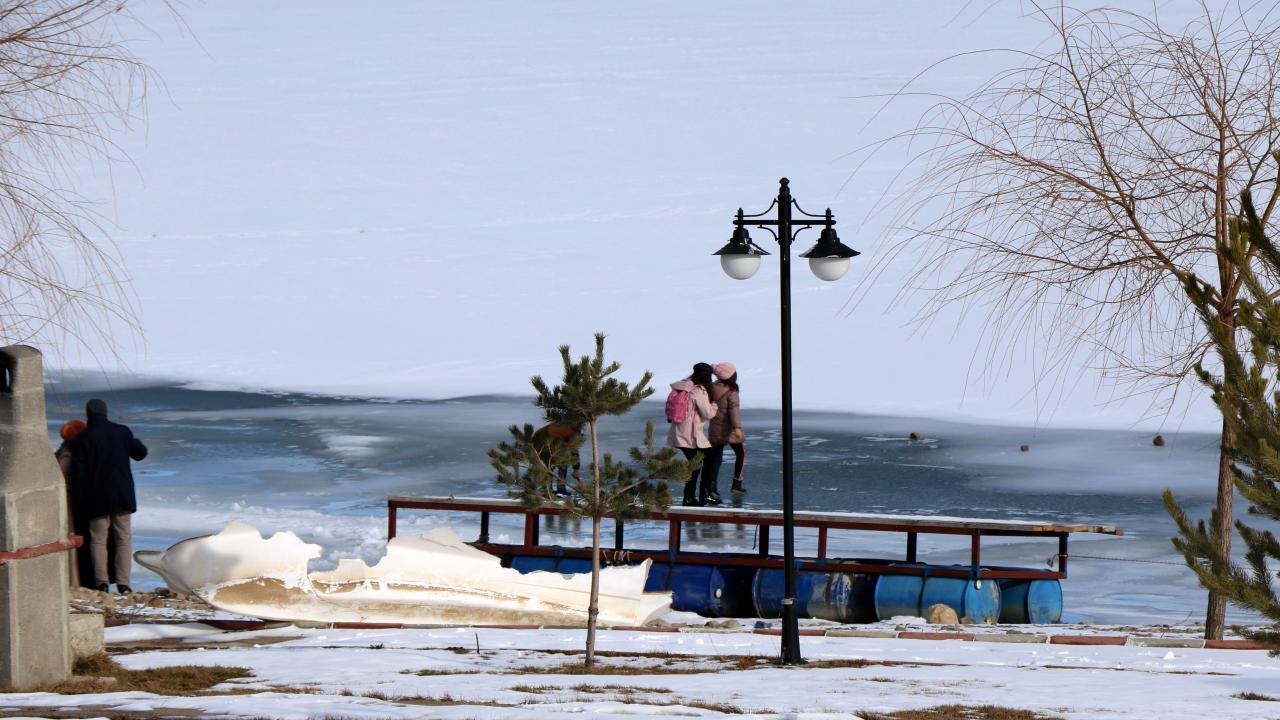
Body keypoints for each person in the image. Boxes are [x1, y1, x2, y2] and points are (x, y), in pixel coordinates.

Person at [70, 398, 148, 594]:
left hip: (96, 499)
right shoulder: (122, 432)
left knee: (98, 540)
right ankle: (123, 583)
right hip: (122, 495)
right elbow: (140, 453)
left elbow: (78, 475)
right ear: (105, 412)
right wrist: (133, 441)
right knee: (123, 538)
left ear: (88, 414)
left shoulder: (83, 438)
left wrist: (77, 504)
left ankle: (101, 582)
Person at [666, 362, 717, 506]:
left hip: (679, 433)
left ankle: (691, 496)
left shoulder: (683, 386)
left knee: (696, 464)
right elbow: (707, 413)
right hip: (691, 435)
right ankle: (702, 494)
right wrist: (714, 405)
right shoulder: (697, 390)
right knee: (708, 460)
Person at [54, 419, 89, 587]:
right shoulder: (71, 453)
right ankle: (73, 580)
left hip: (66, 501)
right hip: (69, 501)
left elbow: (60, 476)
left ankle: (72, 580)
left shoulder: (65, 451)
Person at [705, 362, 747, 495]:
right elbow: (734, 410)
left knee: (716, 459)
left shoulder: (711, 388)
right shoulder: (731, 391)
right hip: (729, 429)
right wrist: (737, 428)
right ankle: (737, 484)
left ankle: (712, 488)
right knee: (741, 454)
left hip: (715, 428)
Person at [532, 421, 582, 497]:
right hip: (543, 442)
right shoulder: (571, 431)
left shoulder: (564, 425)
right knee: (557, 462)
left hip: (540, 440)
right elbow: (574, 450)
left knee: (555, 462)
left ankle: (553, 489)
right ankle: (551, 489)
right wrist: (576, 469)